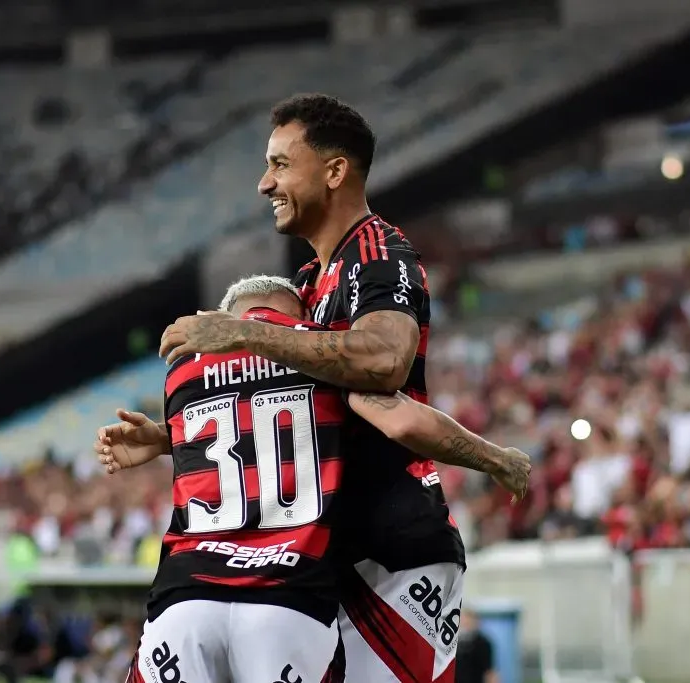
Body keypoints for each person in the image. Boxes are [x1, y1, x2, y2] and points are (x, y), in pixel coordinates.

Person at [152, 94, 484, 681]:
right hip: (325, 552)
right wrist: (166, 436)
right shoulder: (308, 279)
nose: (264, 184)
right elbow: (303, 405)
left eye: (280, 164)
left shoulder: (379, 252)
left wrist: (244, 332)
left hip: (396, 556)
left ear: (334, 171)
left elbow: (384, 360)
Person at [99, 276, 531, 683]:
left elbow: (237, 429)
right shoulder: (322, 355)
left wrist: (164, 438)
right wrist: (497, 459)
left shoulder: (182, 370)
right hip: (288, 600)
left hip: (186, 599)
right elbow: (404, 422)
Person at [454, 608, 498, 683]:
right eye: (464, 621)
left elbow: (489, 672)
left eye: (469, 621)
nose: (466, 623)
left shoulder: (483, 643)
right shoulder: (455, 642)